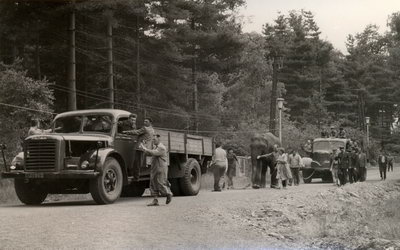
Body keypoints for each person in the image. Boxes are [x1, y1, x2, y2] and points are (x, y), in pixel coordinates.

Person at [140, 134, 173, 206]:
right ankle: (155, 200)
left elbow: (153, 153)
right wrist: (144, 148)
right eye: (153, 139)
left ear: (158, 139)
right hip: (155, 168)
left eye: (154, 139)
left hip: (160, 168)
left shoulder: (161, 147)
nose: (153, 141)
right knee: (153, 184)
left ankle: (168, 194)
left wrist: (144, 148)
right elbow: (150, 153)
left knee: (160, 183)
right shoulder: (156, 147)